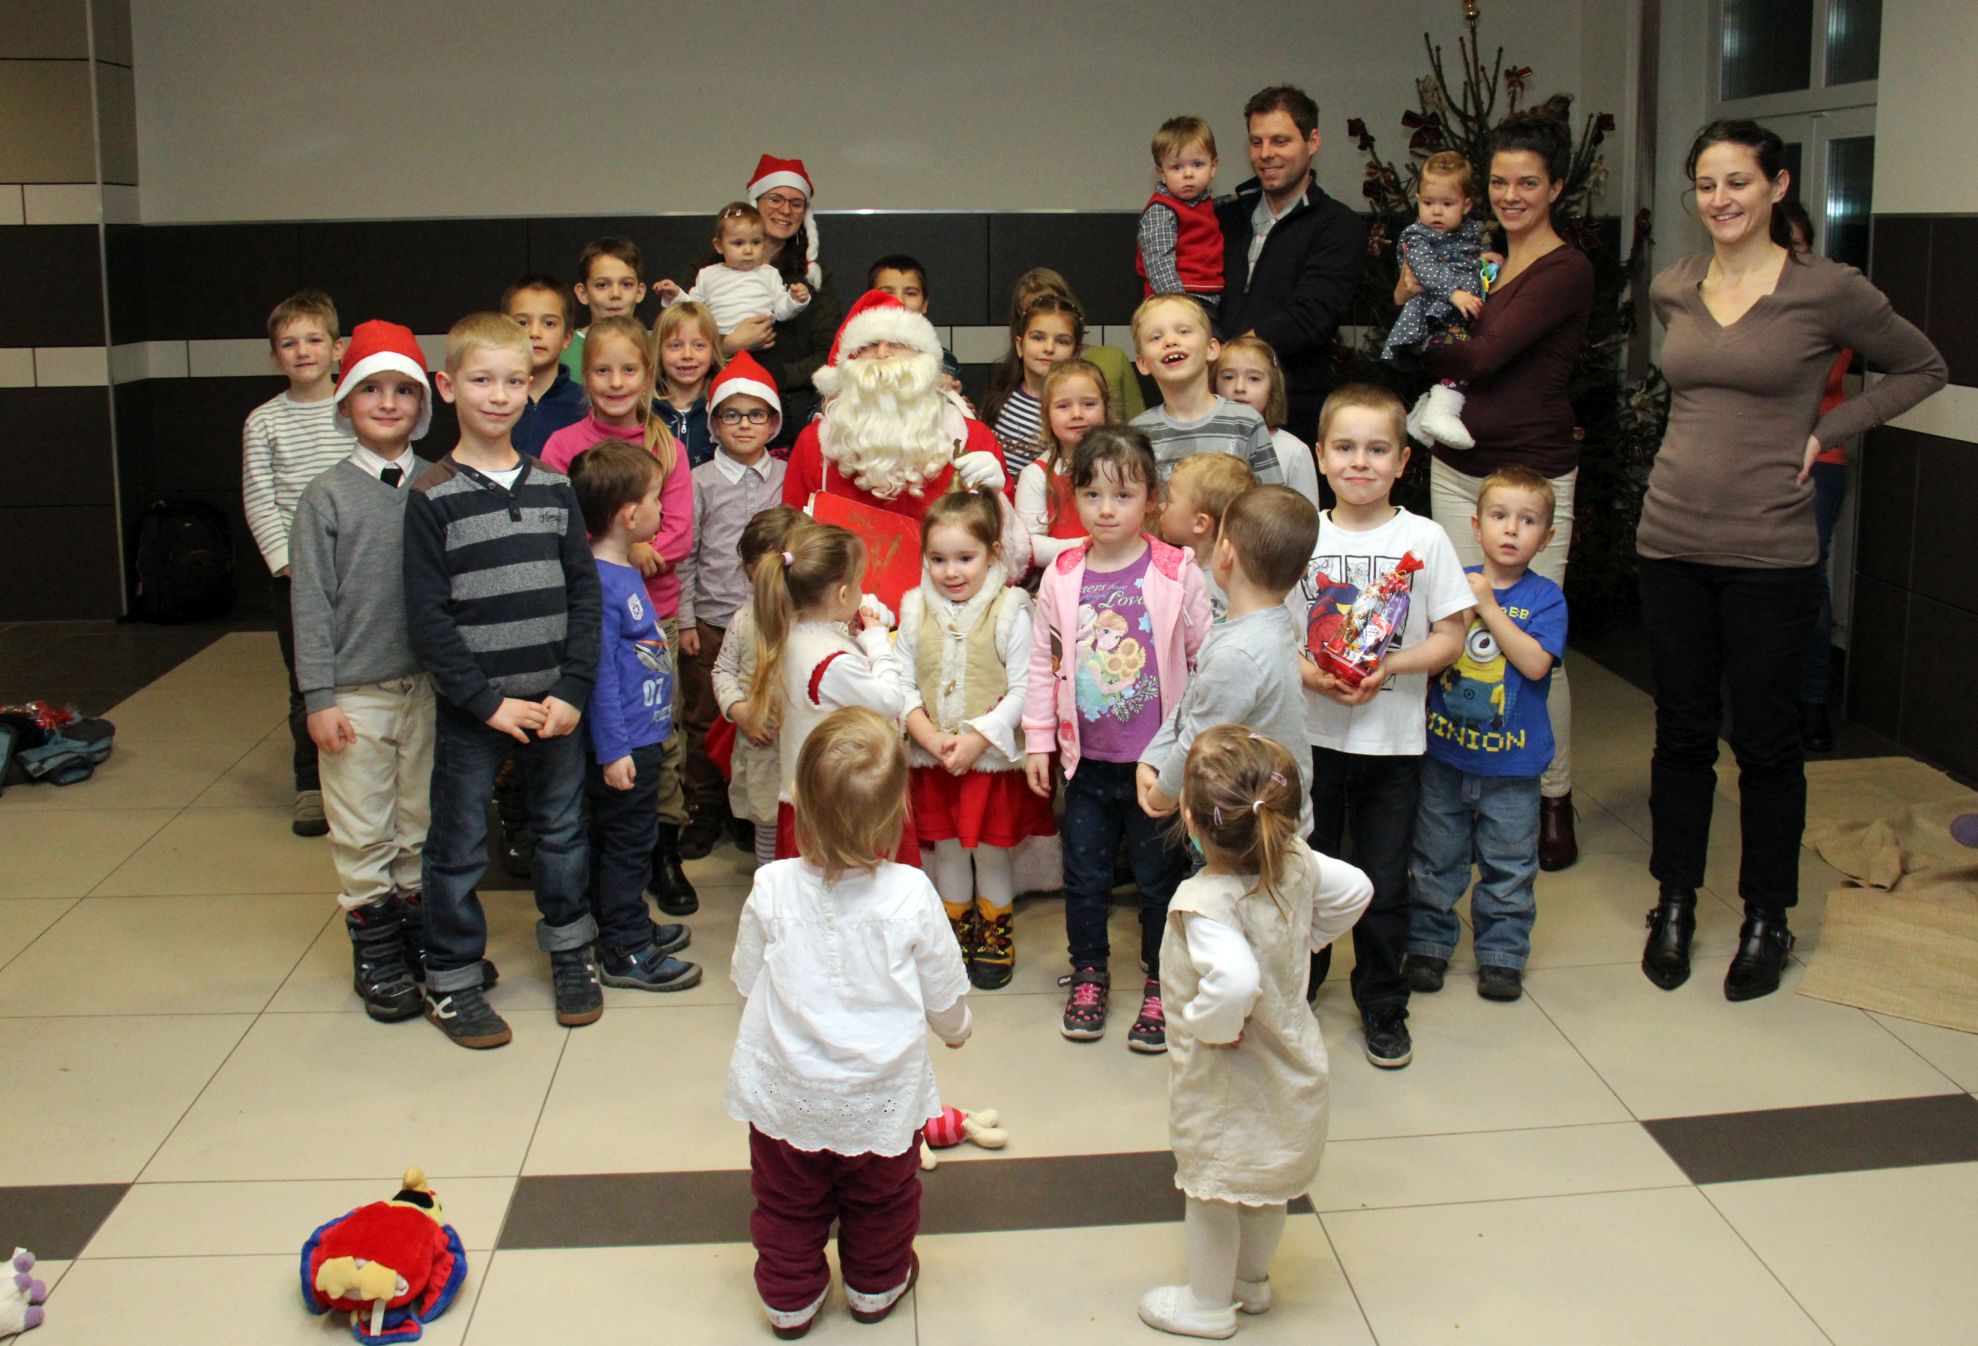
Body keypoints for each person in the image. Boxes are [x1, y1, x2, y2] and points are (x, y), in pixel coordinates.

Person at [1638, 119, 1944, 1002]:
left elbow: (1921, 367)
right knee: (1681, 734)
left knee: (1766, 742)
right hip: (1670, 540)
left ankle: (1767, 916)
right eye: (1706, 184)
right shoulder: (1675, 286)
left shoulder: (1826, 289)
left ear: (1776, 186)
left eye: (1738, 181)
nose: (1720, 199)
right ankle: (1674, 901)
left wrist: (1829, 428)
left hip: (1770, 550)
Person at [726, 706, 970, 1339]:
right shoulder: (911, 893)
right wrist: (956, 1029)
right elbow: (943, 991)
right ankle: (875, 1286)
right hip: (880, 1096)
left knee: (786, 1204)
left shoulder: (771, 886)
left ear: (800, 806)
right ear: (895, 818)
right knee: (882, 1201)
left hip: (786, 1093)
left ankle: (790, 1301)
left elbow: (747, 981)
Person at [1400, 110, 1596, 873]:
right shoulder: (1483, 261)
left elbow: (1480, 356)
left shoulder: (1565, 270)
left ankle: (1552, 795)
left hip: (1535, 476)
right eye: (1500, 182)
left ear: (1556, 188)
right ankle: (1458, 780)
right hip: (1459, 474)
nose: (1512, 195)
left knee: (1534, 642)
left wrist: (1420, 338)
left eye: (1528, 183)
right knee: (1458, 628)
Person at [402, 313, 602, 1050]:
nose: (499, 395)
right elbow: (427, 620)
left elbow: (584, 595)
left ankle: (571, 951)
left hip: (553, 705)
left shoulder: (553, 485)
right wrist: (485, 702)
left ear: (533, 385)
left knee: (561, 832)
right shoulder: (431, 495)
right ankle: (452, 977)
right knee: (458, 844)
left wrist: (573, 689)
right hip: (475, 710)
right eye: (482, 380)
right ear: (448, 386)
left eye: (514, 381)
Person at [1136, 727, 1370, 1340]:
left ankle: (1208, 1305)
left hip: (1225, 1081)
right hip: (1292, 1065)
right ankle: (1251, 1282)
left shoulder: (1205, 903)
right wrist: (1306, 941)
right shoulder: (1297, 861)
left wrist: (1212, 1025)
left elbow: (1235, 981)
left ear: (1191, 820)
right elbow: (1357, 889)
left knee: (1214, 1192)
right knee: (1268, 1184)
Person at [1297, 384, 1473, 1070]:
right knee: (1305, 872)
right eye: (1345, 448)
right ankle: (1300, 986)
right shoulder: (1304, 535)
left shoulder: (1424, 538)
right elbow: (1273, 632)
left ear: (1403, 461)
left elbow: (1451, 637)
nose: (1359, 462)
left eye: (1377, 450)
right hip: (1311, 742)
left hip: (1393, 746)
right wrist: (1313, 675)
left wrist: (1388, 664)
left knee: (1383, 880)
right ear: (1320, 456)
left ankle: (1381, 999)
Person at [1023, 426, 1210, 1052]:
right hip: (1087, 763)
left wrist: (1196, 749)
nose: (1106, 509)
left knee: (1158, 880)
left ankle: (1160, 980)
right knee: (1085, 877)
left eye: (1123, 495)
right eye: (1093, 494)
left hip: (1157, 767)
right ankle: (1088, 973)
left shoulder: (1175, 571)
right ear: (1073, 495)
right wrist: (1039, 741)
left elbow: (1205, 659)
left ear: (1152, 500)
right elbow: (1043, 664)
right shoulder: (1061, 576)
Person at [289, 319, 435, 1023]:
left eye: (403, 390)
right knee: (361, 823)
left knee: (418, 820)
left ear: (423, 405)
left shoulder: (438, 484)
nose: (387, 403)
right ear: (345, 401)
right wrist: (318, 696)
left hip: (427, 689)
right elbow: (311, 604)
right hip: (354, 693)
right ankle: (375, 948)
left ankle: (416, 937)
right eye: (371, 389)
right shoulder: (327, 495)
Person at [540, 316, 699, 917]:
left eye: (628, 369)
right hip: (589, 615)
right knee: (603, 731)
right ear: (584, 375)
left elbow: (677, 532)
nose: (615, 381)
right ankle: (604, 857)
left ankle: (661, 848)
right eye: (602, 370)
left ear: (648, 375)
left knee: (663, 735)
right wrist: (622, 549)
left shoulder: (667, 447)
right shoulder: (562, 446)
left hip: (655, 618)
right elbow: (557, 529)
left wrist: (631, 546)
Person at [1407, 467, 1568, 1004]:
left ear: (1546, 537)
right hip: (1445, 755)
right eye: (1499, 516)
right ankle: (1428, 944)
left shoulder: (1545, 598)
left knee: (1509, 864)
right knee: (1435, 857)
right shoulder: (1454, 580)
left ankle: (1502, 955)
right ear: (1477, 526)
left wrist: (1490, 610)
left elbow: (1536, 664)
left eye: (1528, 521)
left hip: (1512, 766)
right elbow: (1433, 656)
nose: (1511, 530)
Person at [897, 488, 1054, 990]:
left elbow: (1026, 687)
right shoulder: (914, 607)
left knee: (989, 849)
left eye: (965, 558)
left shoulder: (1010, 609)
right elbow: (900, 682)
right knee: (946, 849)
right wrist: (926, 734)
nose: (951, 572)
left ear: (993, 553)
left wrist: (977, 740)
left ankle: (995, 933)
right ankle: (954, 933)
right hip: (933, 760)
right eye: (938, 559)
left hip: (988, 763)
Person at [567, 440, 702, 992]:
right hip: (624, 745)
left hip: (643, 736)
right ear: (628, 516)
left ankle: (625, 923)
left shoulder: (624, 572)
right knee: (626, 844)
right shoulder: (602, 584)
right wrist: (615, 750)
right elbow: (598, 677)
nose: (661, 508)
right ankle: (623, 949)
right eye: (654, 499)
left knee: (628, 840)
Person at [1139, 484, 1321, 836]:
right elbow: (1194, 698)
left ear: (1225, 554)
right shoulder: (1255, 623)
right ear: (1301, 571)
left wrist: (1163, 794)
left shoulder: (1239, 653)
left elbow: (1199, 737)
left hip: (1256, 834)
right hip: (1246, 814)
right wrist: (1154, 757)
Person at [781, 291, 1020, 556]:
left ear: (923, 358)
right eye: (869, 344)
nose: (883, 354)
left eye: (897, 343)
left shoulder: (973, 439)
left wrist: (996, 501)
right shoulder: (815, 445)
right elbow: (791, 545)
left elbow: (1009, 555)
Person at [242, 288, 354, 838]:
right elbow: (259, 498)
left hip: (359, 572)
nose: (302, 351)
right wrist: (288, 564)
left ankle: (360, 777)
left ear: (338, 349)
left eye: (313, 339)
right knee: (307, 679)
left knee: (364, 676)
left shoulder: (356, 409)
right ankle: (311, 784)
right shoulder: (264, 421)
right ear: (274, 356)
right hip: (297, 578)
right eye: (289, 344)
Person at [744, 520, 911, 863]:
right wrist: (877, 642)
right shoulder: (832, 662)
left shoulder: (791, 633)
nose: (863, 591)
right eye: (860, 583)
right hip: (843, 809)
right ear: (842, 594)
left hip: (806, 793)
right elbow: (890, 700)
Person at [676, 353, 788, 860]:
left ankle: (751, 810)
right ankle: (705, 806)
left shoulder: (785, 475)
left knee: (764, 720)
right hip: (713, 622)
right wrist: (685, 621)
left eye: (756, 414)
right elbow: (685, 555)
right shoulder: (699, 480)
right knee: (705, 717)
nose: (744, 425)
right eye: (732, 415)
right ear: (715, 423)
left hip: (772, 624)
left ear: (774, 422)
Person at [1214, 85, 1367, 443]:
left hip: (1291, 416)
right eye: (1256, 142)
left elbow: (1310, 317)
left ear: (1312, 142)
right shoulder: (1223, 218)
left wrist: (1229, 357)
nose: (1266, 153)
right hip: (1216, 408)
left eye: (1280, 141)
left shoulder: (1339, 226)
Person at [1779, 200, 1853, 755]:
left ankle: (1811, 702)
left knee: (1808, 575)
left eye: (1799, 246)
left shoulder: (1832, 300)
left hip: (1818, 460)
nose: (1790, 257)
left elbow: (1817, 375)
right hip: (1753, 459)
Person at [711, 155, 843, 445]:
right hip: (721, 410)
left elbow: (830, 353)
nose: (785, 209)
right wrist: (727, 345)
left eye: (796, 203)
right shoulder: (708, 270)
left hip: (793, 416)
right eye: (775, 199)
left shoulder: (814, 277)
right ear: (755, 202)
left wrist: (777, 375)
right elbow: (679, 336)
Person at [713, 506, 809, 867]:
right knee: (767, 822)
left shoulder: (818, 617)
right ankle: (769, 881)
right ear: (749, 573)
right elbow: (723, 671)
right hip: (764, 748)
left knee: (808, 824)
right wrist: (740, 711)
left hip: (806, 747)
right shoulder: (744, 619)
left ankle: (808, 887)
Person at [1383, 151, 1487, 450]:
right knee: (1460, 356)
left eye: (1447, 204)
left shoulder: (1469, 231)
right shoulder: (1417, 236)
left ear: (1466, 204)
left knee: (1469, 356)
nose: (1436, 212)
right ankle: (1441, 411)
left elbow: (1469, 258)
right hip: (1430, 316)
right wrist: (1454, 293)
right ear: (1417, 200)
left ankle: (1423, 416)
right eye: (1428, 203)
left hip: (1459, 315)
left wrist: (1485, 258)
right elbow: (1426, 270)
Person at [1130, 294, 1283, 485]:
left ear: (1211, 349)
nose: (1170, 341)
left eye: (1183, 331)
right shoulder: (1138, 434)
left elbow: (1272, 498)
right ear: (1142, 363)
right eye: (1156, 337)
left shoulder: (1247, 422)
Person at [1003, 267, 1146, 422]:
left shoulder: (1112, 360)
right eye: (1034, 309)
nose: (1049, 347)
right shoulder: (1007, 396)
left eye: (1052, 304)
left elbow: (1137, 424)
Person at [658, 202, 812, 334]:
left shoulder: (769, 274)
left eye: (756, 242)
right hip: (719, 347)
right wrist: (676, 295)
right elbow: (694, 310)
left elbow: (781, 311)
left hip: (761, 349)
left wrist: (795, 300)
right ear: (719, 245)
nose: (748, 250)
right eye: (738, 243)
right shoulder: (707, 274)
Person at [1013, 357, 1108, 570]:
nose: (1077, 414)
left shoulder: (1124, 466)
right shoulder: (1036, 475)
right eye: (1063, 406)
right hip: (1062, 581)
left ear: (1105, 406)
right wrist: (1088, 546)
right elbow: (1029, 546)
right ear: (1047, 415)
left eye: (1089, 404)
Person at [981, 293, 1083, 477]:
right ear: (1020, 346)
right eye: (1038, 338)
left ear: (1075, 353)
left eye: (1062, 341)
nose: (1049, 348)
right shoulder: (1000, 397)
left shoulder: (1074, 411)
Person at [1212, 335, 1321, 507]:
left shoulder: (1294, 451)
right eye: (1228, 377)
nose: (1239, 387)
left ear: (1273, 387)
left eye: (1254, 378)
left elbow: (1308, 518)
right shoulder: (1204, 437)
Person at [1137, 115, 1224, 310]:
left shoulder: (1205, 204)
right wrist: (1180, 306)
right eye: (1176, 167)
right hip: (1176, 300)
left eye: (1197, 164)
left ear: (1213, 167)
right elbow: (1159, 264)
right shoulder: (1162, 210)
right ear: (1162, 173)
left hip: (1208, 297)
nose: (1188, 174)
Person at [1159, 452, 1255, 623]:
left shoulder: (1232, 587)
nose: (1161, 506)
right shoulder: (1164, 565)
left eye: (1170, 500)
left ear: (1200, 523)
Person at [504, 275, 586, 457]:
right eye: (522, 323)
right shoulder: (493, 399)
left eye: (549, 323)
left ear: (567, 338)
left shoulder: (585, 403)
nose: (534, 333)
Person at [867, 253, 965, 390]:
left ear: (924, 304)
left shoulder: (944, 360)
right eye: (887, 293)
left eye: (910, 293)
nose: (899, 301)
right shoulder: (854, 353)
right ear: (868, 302)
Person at [559, 237, 648, 381]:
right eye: (602, 285)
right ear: (583, 293)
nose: (615, 294)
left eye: (626, 284)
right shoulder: (562, 350)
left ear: (639, 292)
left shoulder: (656, 347)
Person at [652, 300, 721, 470]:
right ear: (659, 351)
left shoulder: (722, 407)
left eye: (699, 345)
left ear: (713, 352)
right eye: (676, 346)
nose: (687, 355)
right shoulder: (644, 408)